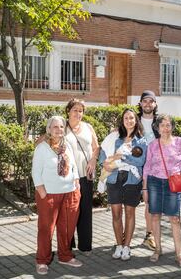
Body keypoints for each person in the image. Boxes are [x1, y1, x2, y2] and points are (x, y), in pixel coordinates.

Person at [32, 116, 82, 276]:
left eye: (61, 126)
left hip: (70, 192)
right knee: (46, 229)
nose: (58, 130)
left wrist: (76, 183)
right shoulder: (42, 148)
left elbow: (73, 165)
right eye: (55, 127)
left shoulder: (66, 145)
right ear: (49, 129)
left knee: (67, 229)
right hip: (49, 195)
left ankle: (65, 256)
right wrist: (42, 191)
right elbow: (36, 172)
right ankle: (42, 260)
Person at [142, 114, 181, 269]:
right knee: (155, 216)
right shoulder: (153, 145)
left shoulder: (180, 142)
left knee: (174, 219)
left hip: (173, 183)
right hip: (154, 182)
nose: (165, 128)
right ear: (157, 127)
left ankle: (178, 254)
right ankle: (158, 249)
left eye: (168, 125)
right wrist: (145, 187)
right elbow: (147, 166)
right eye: (162, 125)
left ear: (172, 127)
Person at [99, 108, 147, 261]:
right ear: (123, 121)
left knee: (130, 214)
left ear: (136, 120)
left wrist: (122, 156)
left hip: (132, 180)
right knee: (116, 214)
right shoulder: (115, 138)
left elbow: (140, 161)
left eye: (132, 118)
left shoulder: (141, 141)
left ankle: (127, 247)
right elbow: (103, 153)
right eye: (126, 118)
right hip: (114, 179)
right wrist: (104, 163)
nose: (129, 120)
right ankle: (119, 245)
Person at [65, 98, 100, 256]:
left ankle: (85, 246)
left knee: (85, 211)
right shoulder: (62, 126)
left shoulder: (88, 127)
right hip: (68, 177)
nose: (78, 113)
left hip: (85, 175)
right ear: (68, 111)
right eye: (75, 110)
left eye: (81, 111)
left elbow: (96, 147)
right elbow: (45, 141)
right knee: (69, 211)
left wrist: (93, 159)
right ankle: (67, 245)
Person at [138, 90, 160, 251]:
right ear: (140, 104)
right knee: (129, 205)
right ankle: (124, 237)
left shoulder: (160, 122)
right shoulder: (134, 120)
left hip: (153, 170)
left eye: (150, 101)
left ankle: (149, 235)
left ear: (154, 104)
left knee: (150, 203)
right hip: (134, 167)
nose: (147, 104)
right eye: (144, 101)